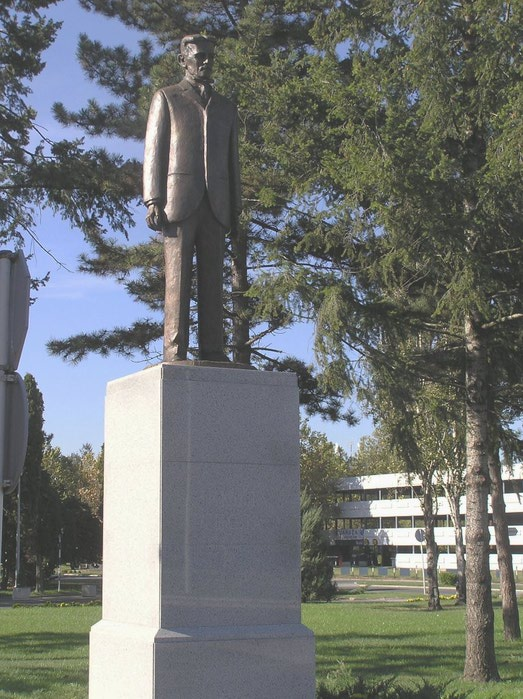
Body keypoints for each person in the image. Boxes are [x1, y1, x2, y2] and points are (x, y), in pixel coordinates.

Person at [143, 34, 242, 362]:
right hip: (178, 202)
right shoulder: (167, 98)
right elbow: (154, 150)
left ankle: (214, 348)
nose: (206, 62)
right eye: (199, 56)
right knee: (178, 278)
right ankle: (174, 349)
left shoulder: (226, 107)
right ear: (183, 60)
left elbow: (233, 162)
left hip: (216, 202)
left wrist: (236, 209)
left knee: (213, 281)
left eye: (210, 56)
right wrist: (153, 198)